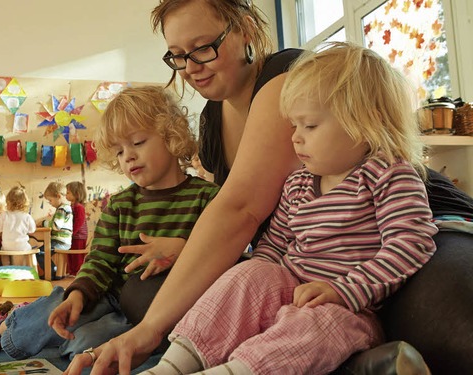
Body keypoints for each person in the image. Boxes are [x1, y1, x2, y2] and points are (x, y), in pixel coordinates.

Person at [65, 1, 473, 374]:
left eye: (203, 47)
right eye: (178, 55)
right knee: (174, 288)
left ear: (243, 29)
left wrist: (344, 291)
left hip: (411, 243)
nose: (189, 66)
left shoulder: (296, 80)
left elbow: (242, 209)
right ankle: (172, 367)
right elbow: (266, 242)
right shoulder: (233, 137)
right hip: (303, 277)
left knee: (440, 327)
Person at [141, 42, 439, 375]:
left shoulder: (389, 174)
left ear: (365, 124)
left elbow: (411, 243)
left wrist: (345, 291)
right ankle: (172, 365)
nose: (295, 138)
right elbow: (274, 245)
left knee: (320, 326)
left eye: (309, 126)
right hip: (289, 290)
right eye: (294, 126)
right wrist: (255, 286)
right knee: (248, 273)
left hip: (348, 308)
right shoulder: (299, 182)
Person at [0, 86, 219, 368]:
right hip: (111, 298)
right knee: (57, 305)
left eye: (138, 143)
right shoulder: (120, 205)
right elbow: (100, 262)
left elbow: (234, 253)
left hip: (164, 318)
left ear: (171, 135)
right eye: (118, 151)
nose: (127, 156)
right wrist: (79, 294)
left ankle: (60, 344)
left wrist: (184, 249)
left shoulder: (208, 198)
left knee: (85, 346)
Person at [0, 185, 36, 266]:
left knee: (3, 250)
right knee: (29, 248)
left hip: (7, 247)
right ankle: (26, 268)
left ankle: (6, 268)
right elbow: (32, 230)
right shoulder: (26, 216)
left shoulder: (4, 214)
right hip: (22, 247)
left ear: (8, 201)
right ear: (25, 202)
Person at [36, 181, 72, 279]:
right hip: (63, 241)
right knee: (41, 250)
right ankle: (52, 271)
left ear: (58, 196)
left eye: (50, 200)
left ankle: (51, 271)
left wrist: (43, 223)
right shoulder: (65, 208)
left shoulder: (62, 209)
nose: (50, 204)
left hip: (60, 241)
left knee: (39, 252)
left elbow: (56, 225)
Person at [65, 181, 89, 275]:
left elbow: (79, 222)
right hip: (73, 235)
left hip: (79, 236)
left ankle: (77, 272)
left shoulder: (79, 207)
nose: (66, 195)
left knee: (77, 256)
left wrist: (72, 233)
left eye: (68, 192)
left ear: (76, 194)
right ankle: (72, 272)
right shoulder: (71, 206)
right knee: (70, 254)